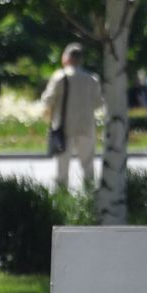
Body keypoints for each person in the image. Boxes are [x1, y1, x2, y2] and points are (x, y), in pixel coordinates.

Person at [42, 44, 102, 191]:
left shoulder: (60, 77)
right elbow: (98, 103)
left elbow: (48, 100)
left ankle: (62, 197)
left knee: (62, 168)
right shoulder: (91, 79)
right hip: (86, 127)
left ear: (67, 58)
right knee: (88, 166)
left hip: (64, 128)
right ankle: (89, 197)